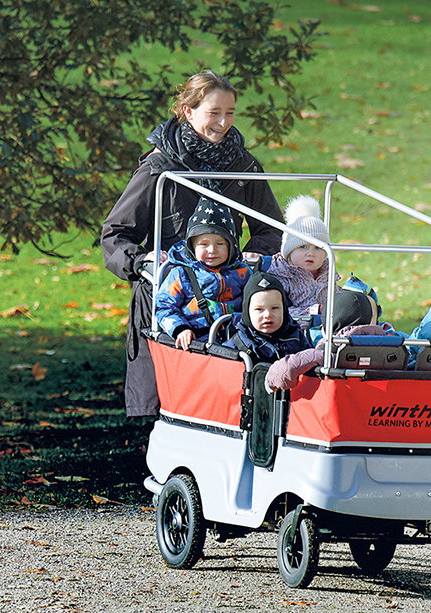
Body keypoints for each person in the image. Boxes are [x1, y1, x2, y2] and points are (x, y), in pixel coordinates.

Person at [101, 70, 282, 421]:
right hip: (169, 301)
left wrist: (252, 255)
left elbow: (272, 229)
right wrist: (141, 261)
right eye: (214, 112)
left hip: (230, 301)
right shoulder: (159, 168)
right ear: (188, 111)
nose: (223, 122)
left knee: (225, 407)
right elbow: (115, 233)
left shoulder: (243, 165)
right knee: (166, 410)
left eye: (230, 113)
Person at [155, 199, 256, 349]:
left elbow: (256, 302)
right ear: (192, 246)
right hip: (196, 339)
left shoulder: (243, 272)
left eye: (220, 244)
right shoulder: (182, 274)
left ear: (231, 246)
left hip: (236, 336)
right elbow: (163, 305)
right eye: (203, 244)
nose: (212, 250)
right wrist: (180, 329)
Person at [264, 287, 398, 391]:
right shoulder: (392, 351)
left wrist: (270, 381)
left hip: (338, 413)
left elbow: (289, 367)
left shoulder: (328, 354)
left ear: (326, 328)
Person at [262, 195, 333, 316]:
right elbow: (278, 312)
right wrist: (315, 311)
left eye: (317, 247)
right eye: (303, 247)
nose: (311, 253)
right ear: (289, 251)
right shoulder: (281, 277)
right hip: (294, 330)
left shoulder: (328, 274)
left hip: (329, 328)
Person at [222, 272, 310, 363]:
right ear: (247, 312)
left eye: (274, 308)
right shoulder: (238, 344)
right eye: (259, 309)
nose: (267, 315)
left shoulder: (296, 337)